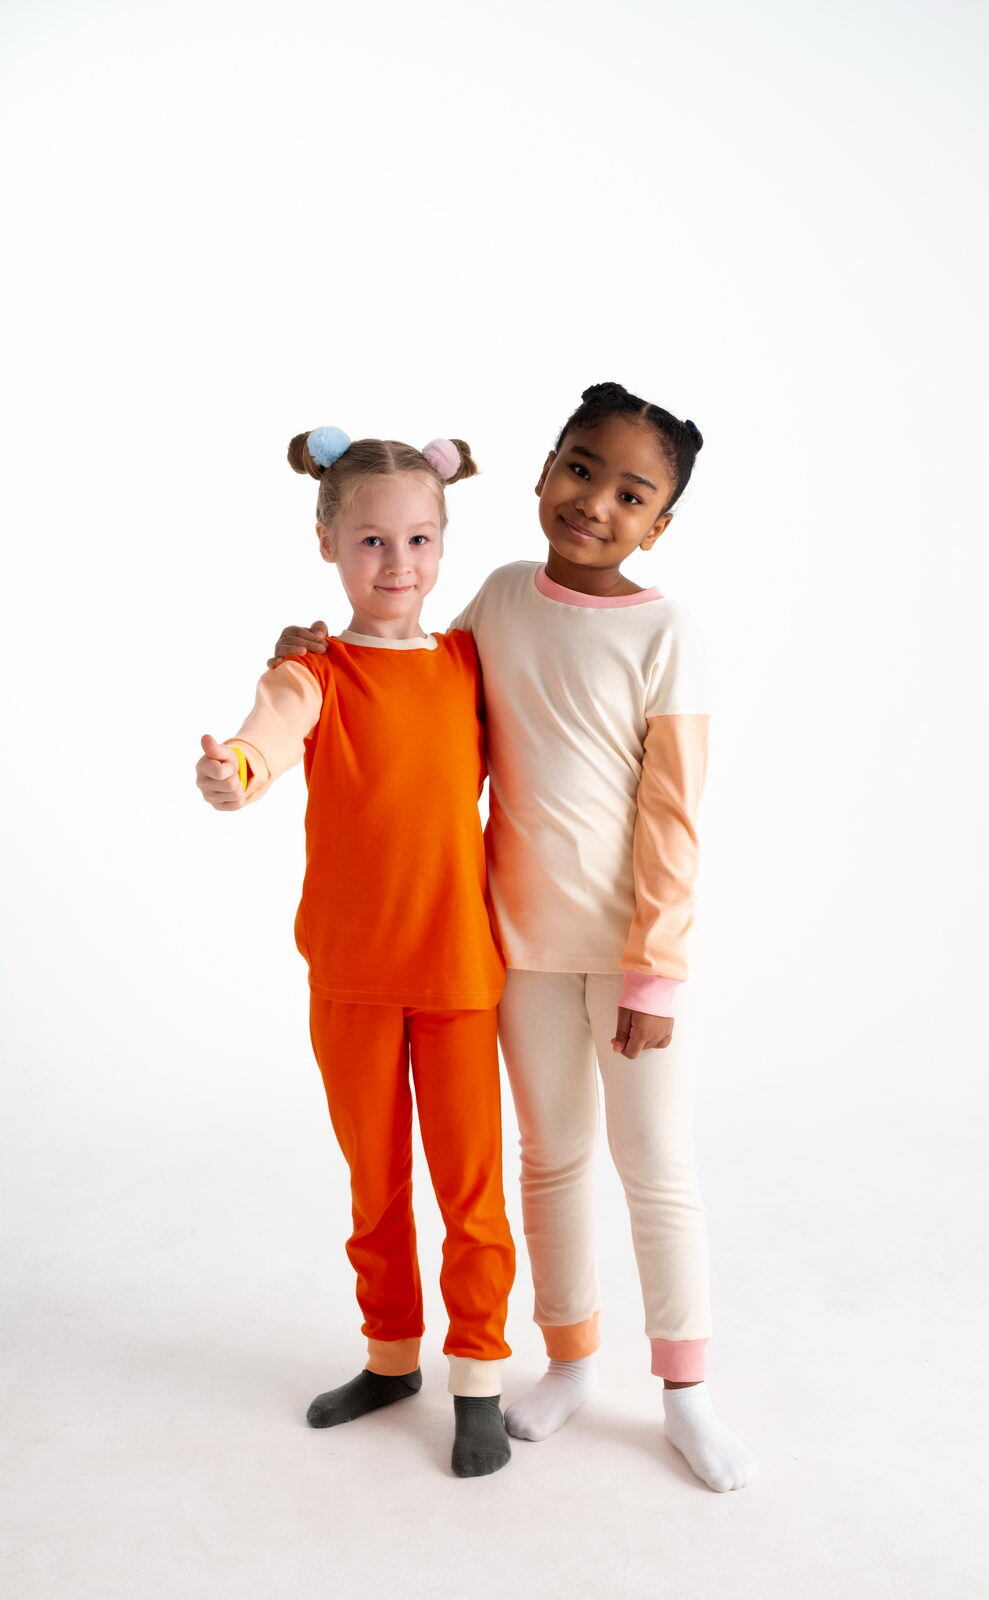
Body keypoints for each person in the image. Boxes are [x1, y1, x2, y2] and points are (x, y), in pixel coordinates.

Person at [269, 383, 757, 1492]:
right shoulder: (495, 598)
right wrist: (307, 651)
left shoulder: (666, 632)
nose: (594, 503)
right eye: (580, 470)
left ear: (658, 524)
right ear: (542, 472)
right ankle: (569, 1359)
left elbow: (673, 815)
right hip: (513, 951)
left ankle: (686, 1392)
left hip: (630, 957)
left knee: (655, 1165)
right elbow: (407, 679)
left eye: (630, 494)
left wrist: (655, 970)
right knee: (548, 1159)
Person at [196, 426, 515, 1478]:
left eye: (419, 539)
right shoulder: (314, 670)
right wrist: (237, 770)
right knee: (375, 1188)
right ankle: (390, 1358)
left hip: (460, 976)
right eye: (372, 540)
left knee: (469, 1193)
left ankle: (478, 1374)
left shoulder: (469, 661)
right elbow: (268, 733)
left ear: (443, 542)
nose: (397, 563)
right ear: (327, 542)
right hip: (352, 980)